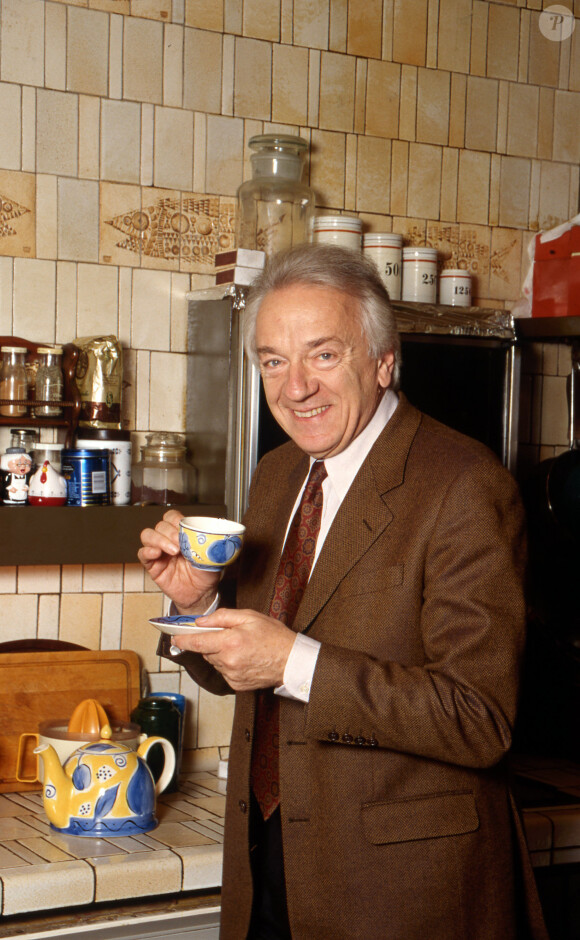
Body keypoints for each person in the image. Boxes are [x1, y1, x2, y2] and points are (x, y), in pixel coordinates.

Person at [138, 244, 547, 940]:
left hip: (403, 891)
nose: (294, 387)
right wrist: (197, 606)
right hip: (270, 863)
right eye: (273, 360)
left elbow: (479, 718)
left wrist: (295, 662)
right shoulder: (276, 474)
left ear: (384, 362)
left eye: (323, 355)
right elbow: (248, 665)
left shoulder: (464, 484)